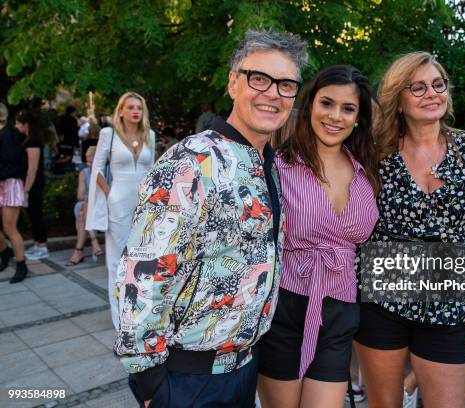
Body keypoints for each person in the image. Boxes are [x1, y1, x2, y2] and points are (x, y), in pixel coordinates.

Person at [113, 29, 308, 408]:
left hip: (244, 370)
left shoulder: (268, 165)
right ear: (233, 83)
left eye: (286, 84)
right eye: (260, 78)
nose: (273, 93)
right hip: (188, 380)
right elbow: (147, 271)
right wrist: (150, 380)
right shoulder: (192, 160)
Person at [353, 52, 465, 408]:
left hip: (448, 304)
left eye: (438, 84)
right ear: (399, 99)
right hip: (380, 300)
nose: (431, 94)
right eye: (418, 87)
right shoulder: (374, 151)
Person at [257, 65, 379, 408]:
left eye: (348, 108)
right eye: (327, 103)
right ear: (310, 104)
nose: (335, 116)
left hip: (340, 309)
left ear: (359, 118)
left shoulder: (367, 172)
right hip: (286, 306)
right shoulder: (279, 167)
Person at [86, 91, 156, 331]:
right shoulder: (109, 134)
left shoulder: (150, 136)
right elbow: (96, 169)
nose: (135, 111)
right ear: (121, 111)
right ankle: (120, 323)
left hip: (145, 205)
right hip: (118, 201)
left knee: (142, 259)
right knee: (117, 262)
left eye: (139, 107)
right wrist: (109, 195)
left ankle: (137, 314)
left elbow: (153, 171)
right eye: (131, 107)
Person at [15, 111, 49, 261]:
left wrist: (26, 189)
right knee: (33, 215)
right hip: (31, 184)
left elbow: (32, 168)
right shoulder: (28, 140)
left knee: (36, 214)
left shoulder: (33, 141)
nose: (16, 126)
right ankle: (37, 244)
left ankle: (42, 246)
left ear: (26, 124)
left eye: (18, 123)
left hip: (34, 184)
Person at [0, 103, 28, 283]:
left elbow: (11, 163)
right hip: (3, 182)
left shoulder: (8, 135)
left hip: (9, 183)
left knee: (10, 227)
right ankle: (5, 252)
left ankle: (21, 265)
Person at [65, 146, 103, 266]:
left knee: (82, 214)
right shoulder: (84, 172)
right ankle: (93, 242)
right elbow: (80, 196)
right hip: (85, 203)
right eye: (87, 161)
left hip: (101, 204)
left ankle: (79, 251)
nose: (89, 164)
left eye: (92, 162)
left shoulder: (106, 171)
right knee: (84, 206)